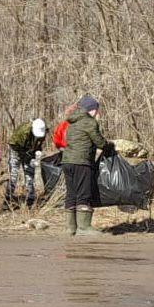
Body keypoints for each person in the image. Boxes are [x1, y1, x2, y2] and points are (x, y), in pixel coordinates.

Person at [60, 94, 114, 236]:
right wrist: (109, 146)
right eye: (96, 110)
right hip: (81, 162)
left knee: (71, 193)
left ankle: (70, 228)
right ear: (91, 110)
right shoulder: (89, 122)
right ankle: (84, 228)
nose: (98, 113)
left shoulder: (72, 122)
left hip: (67, 162)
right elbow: (99, 142)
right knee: (84, 193)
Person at [6, 118, 46, 206]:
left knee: (30, 174)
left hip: (29, 152)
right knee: (14, 174)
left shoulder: (43, 131)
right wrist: (25, 155)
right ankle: (8, 198)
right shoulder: (23, 131)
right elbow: (13, 144)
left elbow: (38, 145)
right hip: (16, 150)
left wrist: (37, 153)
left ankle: (30, 199)